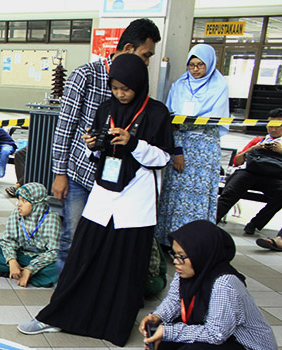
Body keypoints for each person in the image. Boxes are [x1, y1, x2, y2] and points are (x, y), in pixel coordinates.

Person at [18, 53, 174, 346]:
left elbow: (163, 156)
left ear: (139, 85)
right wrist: (93, 145)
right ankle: (56, 316)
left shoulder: (157, 113)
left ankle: (112, 325)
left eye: (125, 88)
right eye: (115, 88)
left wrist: (134, 143)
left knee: (124, 266)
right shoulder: (105, 108)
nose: (120, 94)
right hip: (103, 194)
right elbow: (99, 148)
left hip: (136, 200)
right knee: (82, 256)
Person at [51, 18, 161, 273]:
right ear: (129, 47)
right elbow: (64, 128)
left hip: (118, 182)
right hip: (81, 175)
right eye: (146, 55)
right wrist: (60, 173)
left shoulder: (139, 82)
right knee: (73, 236)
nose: (147, 63)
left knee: (105, 242)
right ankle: (63, 293)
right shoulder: (86, 75)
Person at [142, 221, 277, 350]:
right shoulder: (190, 271)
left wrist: (169, 331)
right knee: (158, 336)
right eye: (174, 255)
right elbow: (174, 301)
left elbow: (216, 334)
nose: (175, 263)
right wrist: (156, 317)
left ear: (201, 254)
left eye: (182, 257)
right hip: (224, 339)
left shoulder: (225, 284)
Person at [156, 44, 230, 246]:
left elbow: (215, 120)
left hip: (205, 149)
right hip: (181, 145)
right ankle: (169, 240)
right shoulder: (179, 85)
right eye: (191, 65)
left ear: (210, 65)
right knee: (175, 195)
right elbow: (171, 120)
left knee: (199, 196)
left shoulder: (219, 86)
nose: (195, 69)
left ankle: (195, 244)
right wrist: (177, 150)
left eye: (200, 65)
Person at [216, 108, 282, 235]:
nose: (273, 129)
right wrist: (251, 149)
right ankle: (212, 221)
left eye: (278, 126)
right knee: (231, 190)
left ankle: (255, 223)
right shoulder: (258, 140)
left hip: (274, 177)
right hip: (250, 172)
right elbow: (237, 161)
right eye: (270, 125)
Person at [0, 182, 61, 287]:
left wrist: (30, 269)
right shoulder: (17, 214)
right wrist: (12, 260)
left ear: (36, 204)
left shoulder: (51, 219)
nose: (19, 204)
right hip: (22, 255)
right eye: (19, 200)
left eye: (24, 201)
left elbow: (54, 251)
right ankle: (26, 274)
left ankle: (17, 273)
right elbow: (7, 240)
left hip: (42, 259)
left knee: (59, 267)